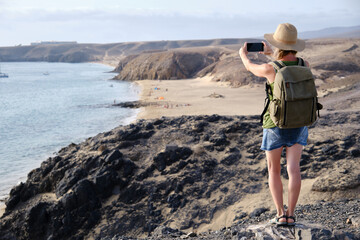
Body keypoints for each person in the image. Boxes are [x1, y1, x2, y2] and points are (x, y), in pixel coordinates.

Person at [239, 23, 309, 226]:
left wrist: (243, 55)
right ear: (295, 44)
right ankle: (292, 214)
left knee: (274, 170)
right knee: (294, 169)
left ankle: (280, 214)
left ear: (277, 44)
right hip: (299, 122)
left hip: (275, 124)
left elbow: (251, 68)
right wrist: (272, 54)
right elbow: (287, 66)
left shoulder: (270, 69)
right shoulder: (305, 64)